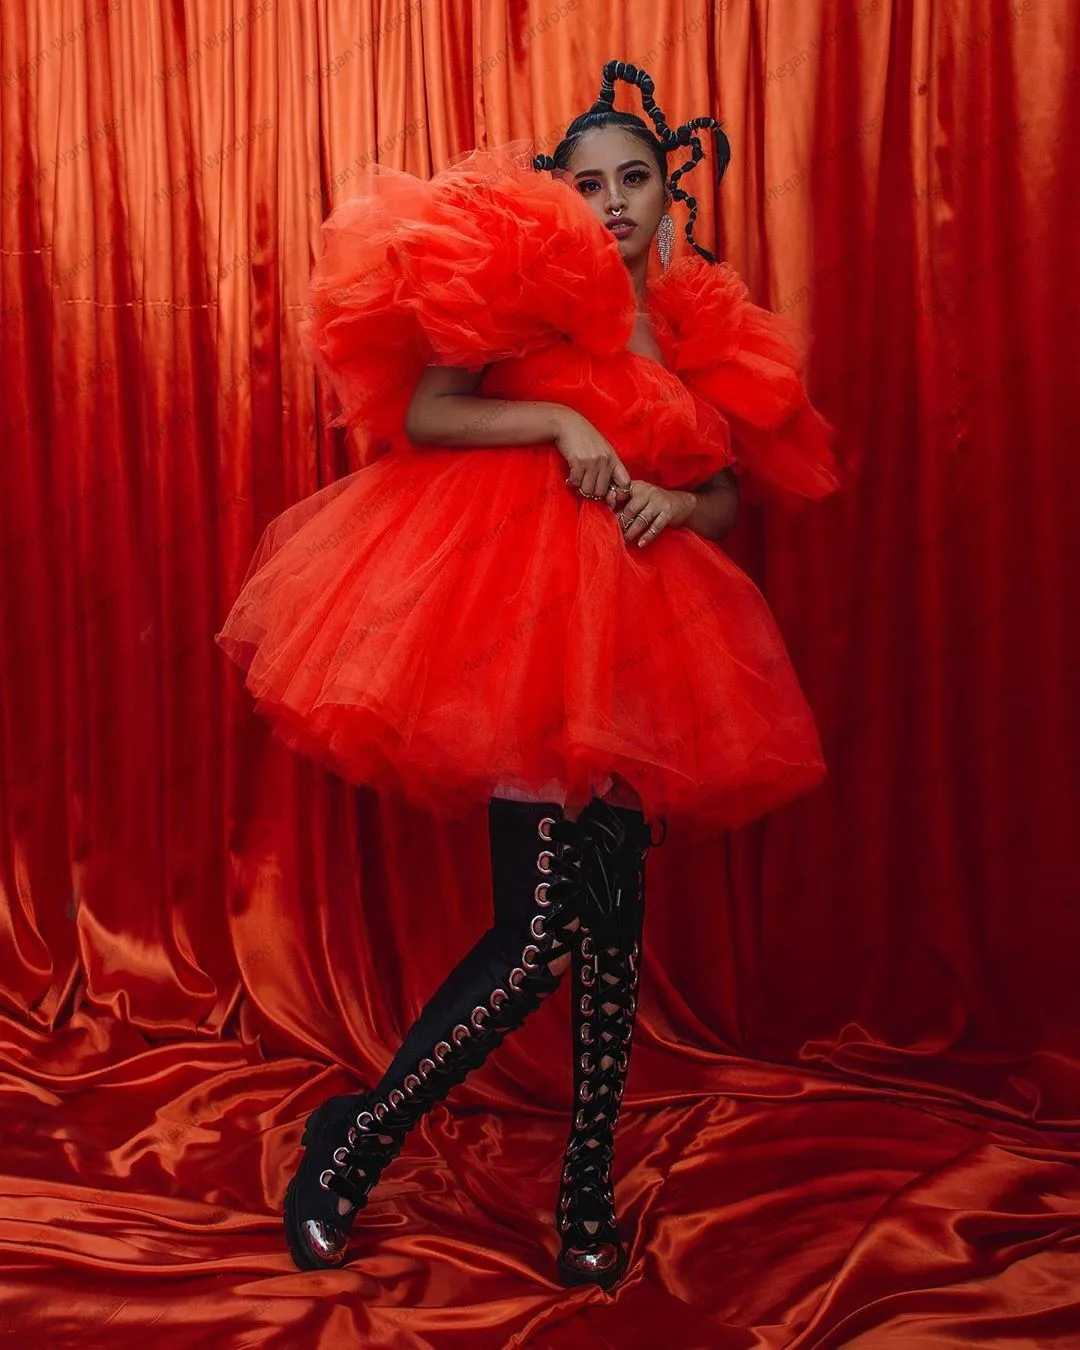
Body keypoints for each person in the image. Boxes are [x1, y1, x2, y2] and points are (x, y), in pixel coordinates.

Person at [215, 58, 841, 1289]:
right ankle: (356, 1143)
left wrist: (676, 501)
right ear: (560, 192)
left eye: (635, 180)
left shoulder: (700, 326)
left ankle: (584, 1192)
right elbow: (428, 415)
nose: (613, 204)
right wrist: (562, 422)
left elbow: (723, 495)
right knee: (540, 928)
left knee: (613, 933)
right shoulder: (521, 281)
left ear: (668, 191)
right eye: (589, 183)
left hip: (648, 634)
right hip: (512, 613)